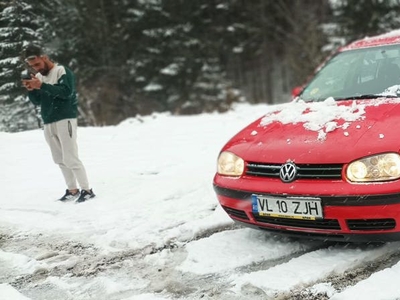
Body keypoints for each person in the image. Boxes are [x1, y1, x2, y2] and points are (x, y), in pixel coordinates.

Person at [21, 44, 95, 203]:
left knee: (70, 157)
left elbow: (66, 93)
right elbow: (38, 101)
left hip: (64, 118)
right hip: (48, 121)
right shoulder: (39, 77)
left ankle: (87, 190)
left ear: (44, 57)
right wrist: (31, 89)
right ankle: (72, 190)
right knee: (59, 158)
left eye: (37, 64)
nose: (36, 68)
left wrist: (41, 86)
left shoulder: (62, 71)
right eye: (32, 66)